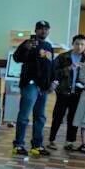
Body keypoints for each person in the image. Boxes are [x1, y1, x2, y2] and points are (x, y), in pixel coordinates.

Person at [12, 20, 56, 156]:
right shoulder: (27, 43)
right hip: (30, 84)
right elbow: (16, 58)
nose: (44, 31)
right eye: (41, 29)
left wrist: (53, 82)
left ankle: (37, 146)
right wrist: (26, 47)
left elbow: (50, 66)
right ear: (36, 30)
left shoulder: (49, 46)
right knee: (24, 115)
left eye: (46, 29)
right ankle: (18, 145)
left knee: (40, 117)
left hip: (43, 86)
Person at [49, 34, 85, 150]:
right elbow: (54, 73)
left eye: (82, 44)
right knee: (57, 116)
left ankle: (69, 142)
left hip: (78, 93)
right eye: (77, 43)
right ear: (73, 44)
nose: (79, 46)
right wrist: (69, 68)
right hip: (63, 92)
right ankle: (52, 140)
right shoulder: (63, 57)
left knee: (73, 118)